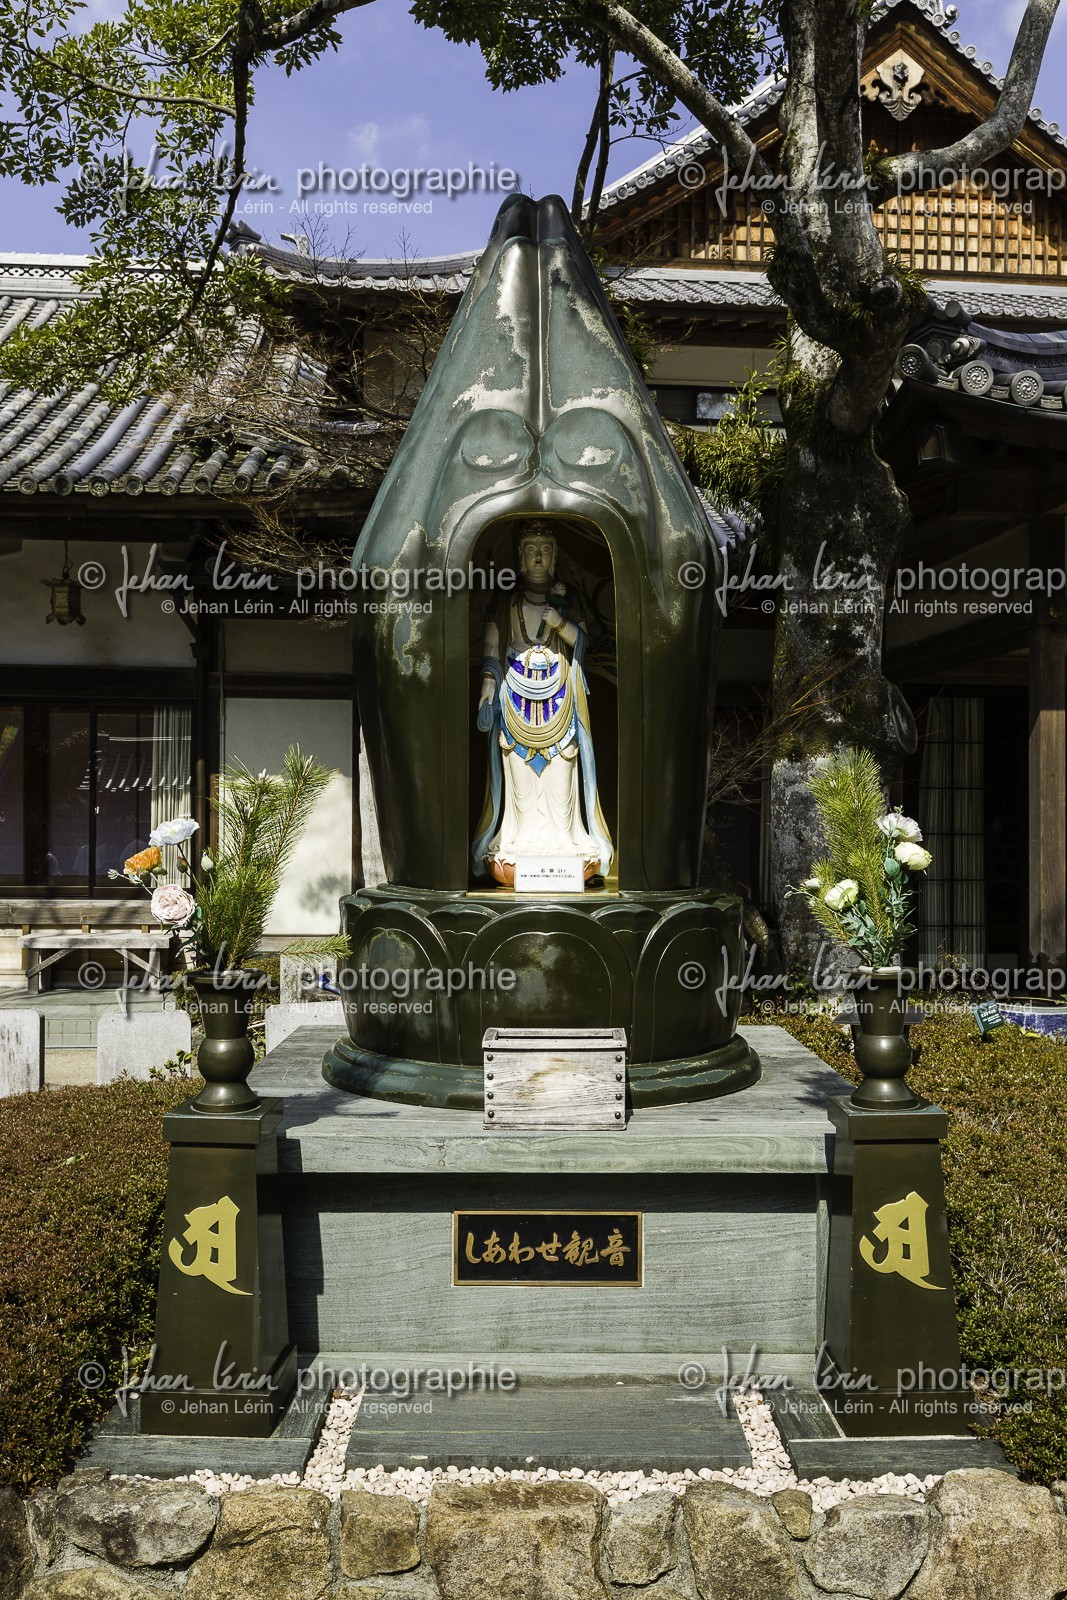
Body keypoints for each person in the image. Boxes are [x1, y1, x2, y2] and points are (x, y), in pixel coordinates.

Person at [472, 521, 613, 883]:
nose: (539, 556)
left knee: (562, 774)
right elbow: (492, 647)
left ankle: (565, 842)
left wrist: (560, 623)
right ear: (520, 556)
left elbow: (584, 642)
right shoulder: (505, 599)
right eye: (532, 549)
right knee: (519, 778)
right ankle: (514, 842)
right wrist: (488, 684)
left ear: (555, 557)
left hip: (560, 694)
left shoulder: (571, 598)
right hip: (515, 694)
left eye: (546, 549)